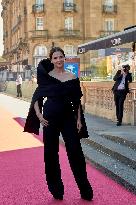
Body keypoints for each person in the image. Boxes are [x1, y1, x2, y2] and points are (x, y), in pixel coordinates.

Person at [24, 47, 93, 201]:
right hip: (49, 119)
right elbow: (37, 96)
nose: (59, 60)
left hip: (69, 118)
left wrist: (79, 120)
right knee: (50, 154)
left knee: (76, 152)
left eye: (61, 57)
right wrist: (39, 115)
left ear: (64, 58)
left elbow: (77, 102)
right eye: (55, 58)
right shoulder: (46, 77)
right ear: (51, 60)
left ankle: (85, 190)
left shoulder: (72, 77)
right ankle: (56, 190)